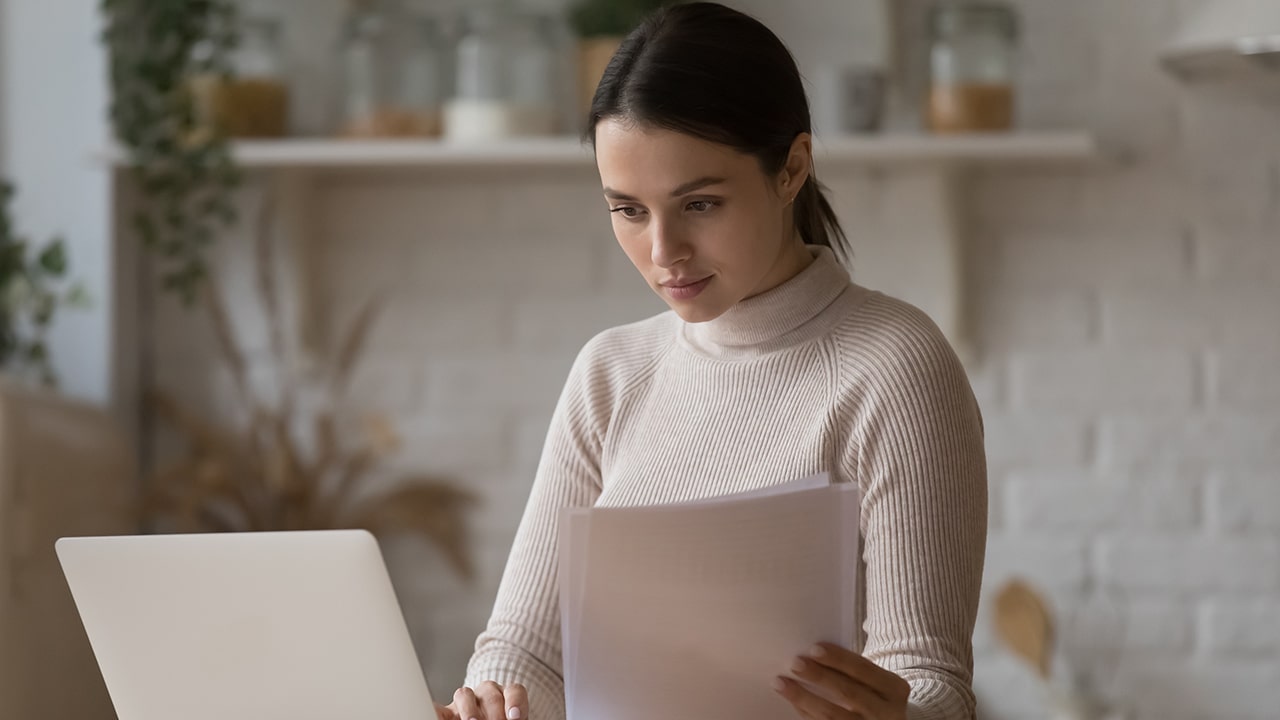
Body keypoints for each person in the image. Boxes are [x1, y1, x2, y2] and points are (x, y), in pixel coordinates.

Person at [435, 3, 987, 719]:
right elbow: (525, 651)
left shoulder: (895, 367)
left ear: (791, 168)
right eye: (628, 210)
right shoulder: (610, 373)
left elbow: (932, 680)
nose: (663, 253)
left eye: (698, 205)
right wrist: (494, 703)